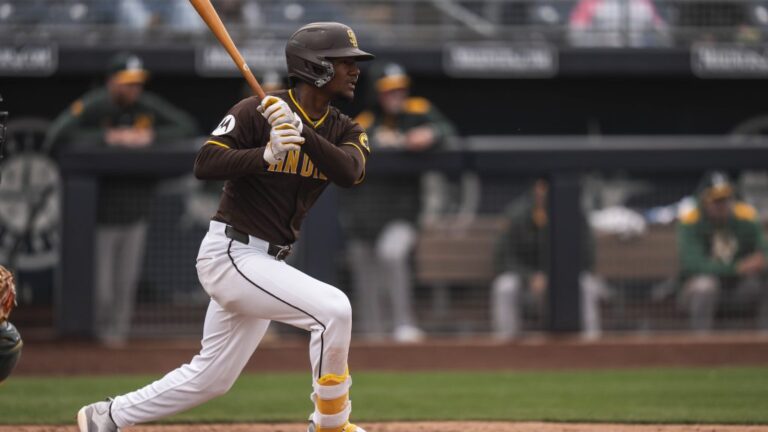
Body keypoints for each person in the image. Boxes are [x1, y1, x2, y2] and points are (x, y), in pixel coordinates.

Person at [76, 22, 373, 432]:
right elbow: (205, 163)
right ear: (317, 67)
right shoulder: (255, 111)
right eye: (345, 62)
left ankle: (107, 416)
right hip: (232, 253)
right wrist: (265, 154)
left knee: (212, 378)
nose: (355, 70)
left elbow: (350, 172)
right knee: (333, 311)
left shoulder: (344, 127)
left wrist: (302, 131)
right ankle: (331, 424)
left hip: (267, 263)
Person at [45, 52, 197, 346]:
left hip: (136, 211)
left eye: (136, 83)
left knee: (124, 285)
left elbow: (186, 126)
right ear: (111, 82)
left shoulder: (146, 106)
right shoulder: (96, 104)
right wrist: (107, 138)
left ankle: (116, 344)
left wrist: (148, 136)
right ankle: (96, 341)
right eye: (126, 83)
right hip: (98, 215)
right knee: (100, 287)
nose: (132, 89)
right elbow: (58, 135)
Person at [343, 62, 464, 342]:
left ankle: (403, 324)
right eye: (389, 91)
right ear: (378, 93)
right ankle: (373, 333)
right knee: (364, 271)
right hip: (364, 216)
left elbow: (447, 130)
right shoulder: (367, 121)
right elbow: (348, 147)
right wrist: (380, 142)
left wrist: (430, 135)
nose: (395, 96)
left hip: (402, 213)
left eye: (399, 90)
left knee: (392, 253)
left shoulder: (418, 110)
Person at [491, 179, 606, 340]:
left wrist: (557, 276)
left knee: (587, 284)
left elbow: (586, 255)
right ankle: (507, 344)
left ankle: (591, 343)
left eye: (547, 187)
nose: (543, 192)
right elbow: (503, 257)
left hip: (566, 279)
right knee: (504, 286)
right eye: (540, 187)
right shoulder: (517, 214)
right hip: (527, 282)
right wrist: (530, 276)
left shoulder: (574, 213)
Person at [677, 171, 768, 332]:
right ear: (704, 200)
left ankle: (763, 346)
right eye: (716, 200)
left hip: (739, 290)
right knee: (705, 286)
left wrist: (760, 263)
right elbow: (692, 265)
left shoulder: (745, 216)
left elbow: (763, 251)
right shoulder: (691, 220)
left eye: (725, 198)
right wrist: (737, 268)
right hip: (698, 294)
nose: (721, 204)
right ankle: (701, 349)